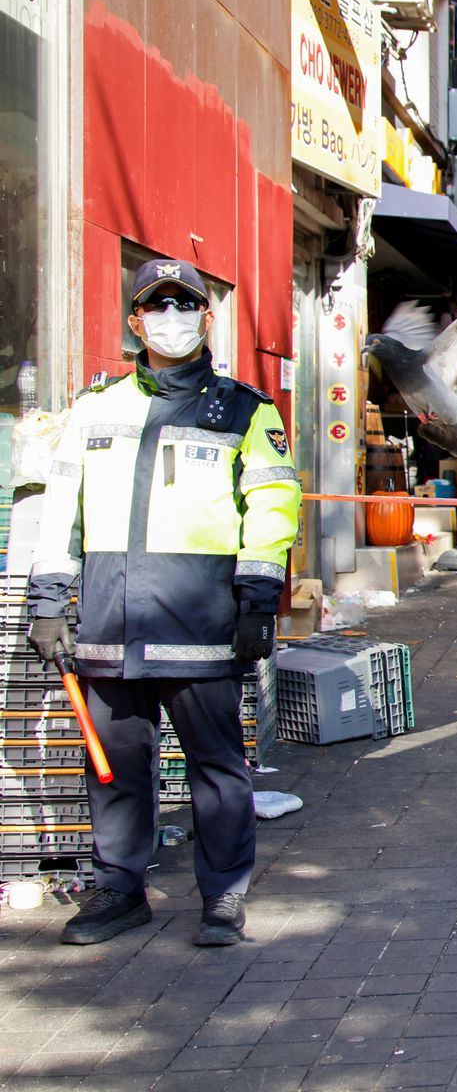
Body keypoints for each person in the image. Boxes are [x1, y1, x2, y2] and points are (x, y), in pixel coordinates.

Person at [27, 259, 301, 946]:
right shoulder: (93, 411)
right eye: (157, 306)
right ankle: (119, 891)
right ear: (133, 321)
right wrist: (49, 598)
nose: (170, 318)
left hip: (200, 627)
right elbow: (61, 509)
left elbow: (272, 504)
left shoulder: (244, 409)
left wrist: (258, 599)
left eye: (185, 305)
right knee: (115, 771)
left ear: (207, 319)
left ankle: (223, 897)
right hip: (109, 627)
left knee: (217, 771)